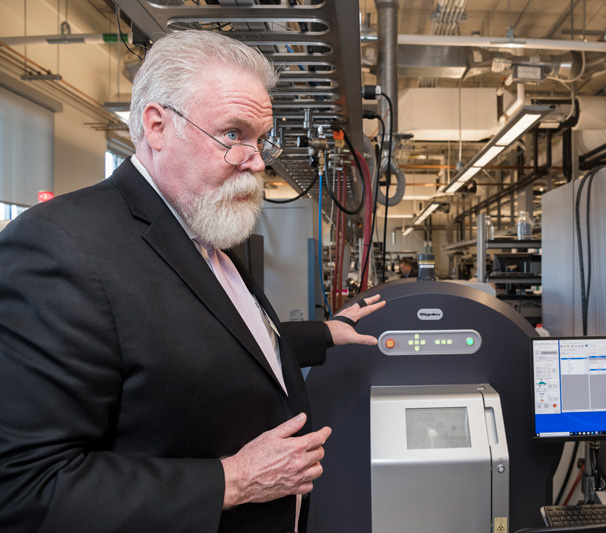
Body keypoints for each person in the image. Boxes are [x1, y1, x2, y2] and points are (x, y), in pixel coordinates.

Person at [0, 30, 384, 533]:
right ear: (157, 126)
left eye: (261, 139)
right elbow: (26, 487)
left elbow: (196, 340)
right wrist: (233, 481)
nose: (257, 159)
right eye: (232, 134)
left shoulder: (203, 227)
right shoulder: (61, 246)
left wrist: (323, 333)